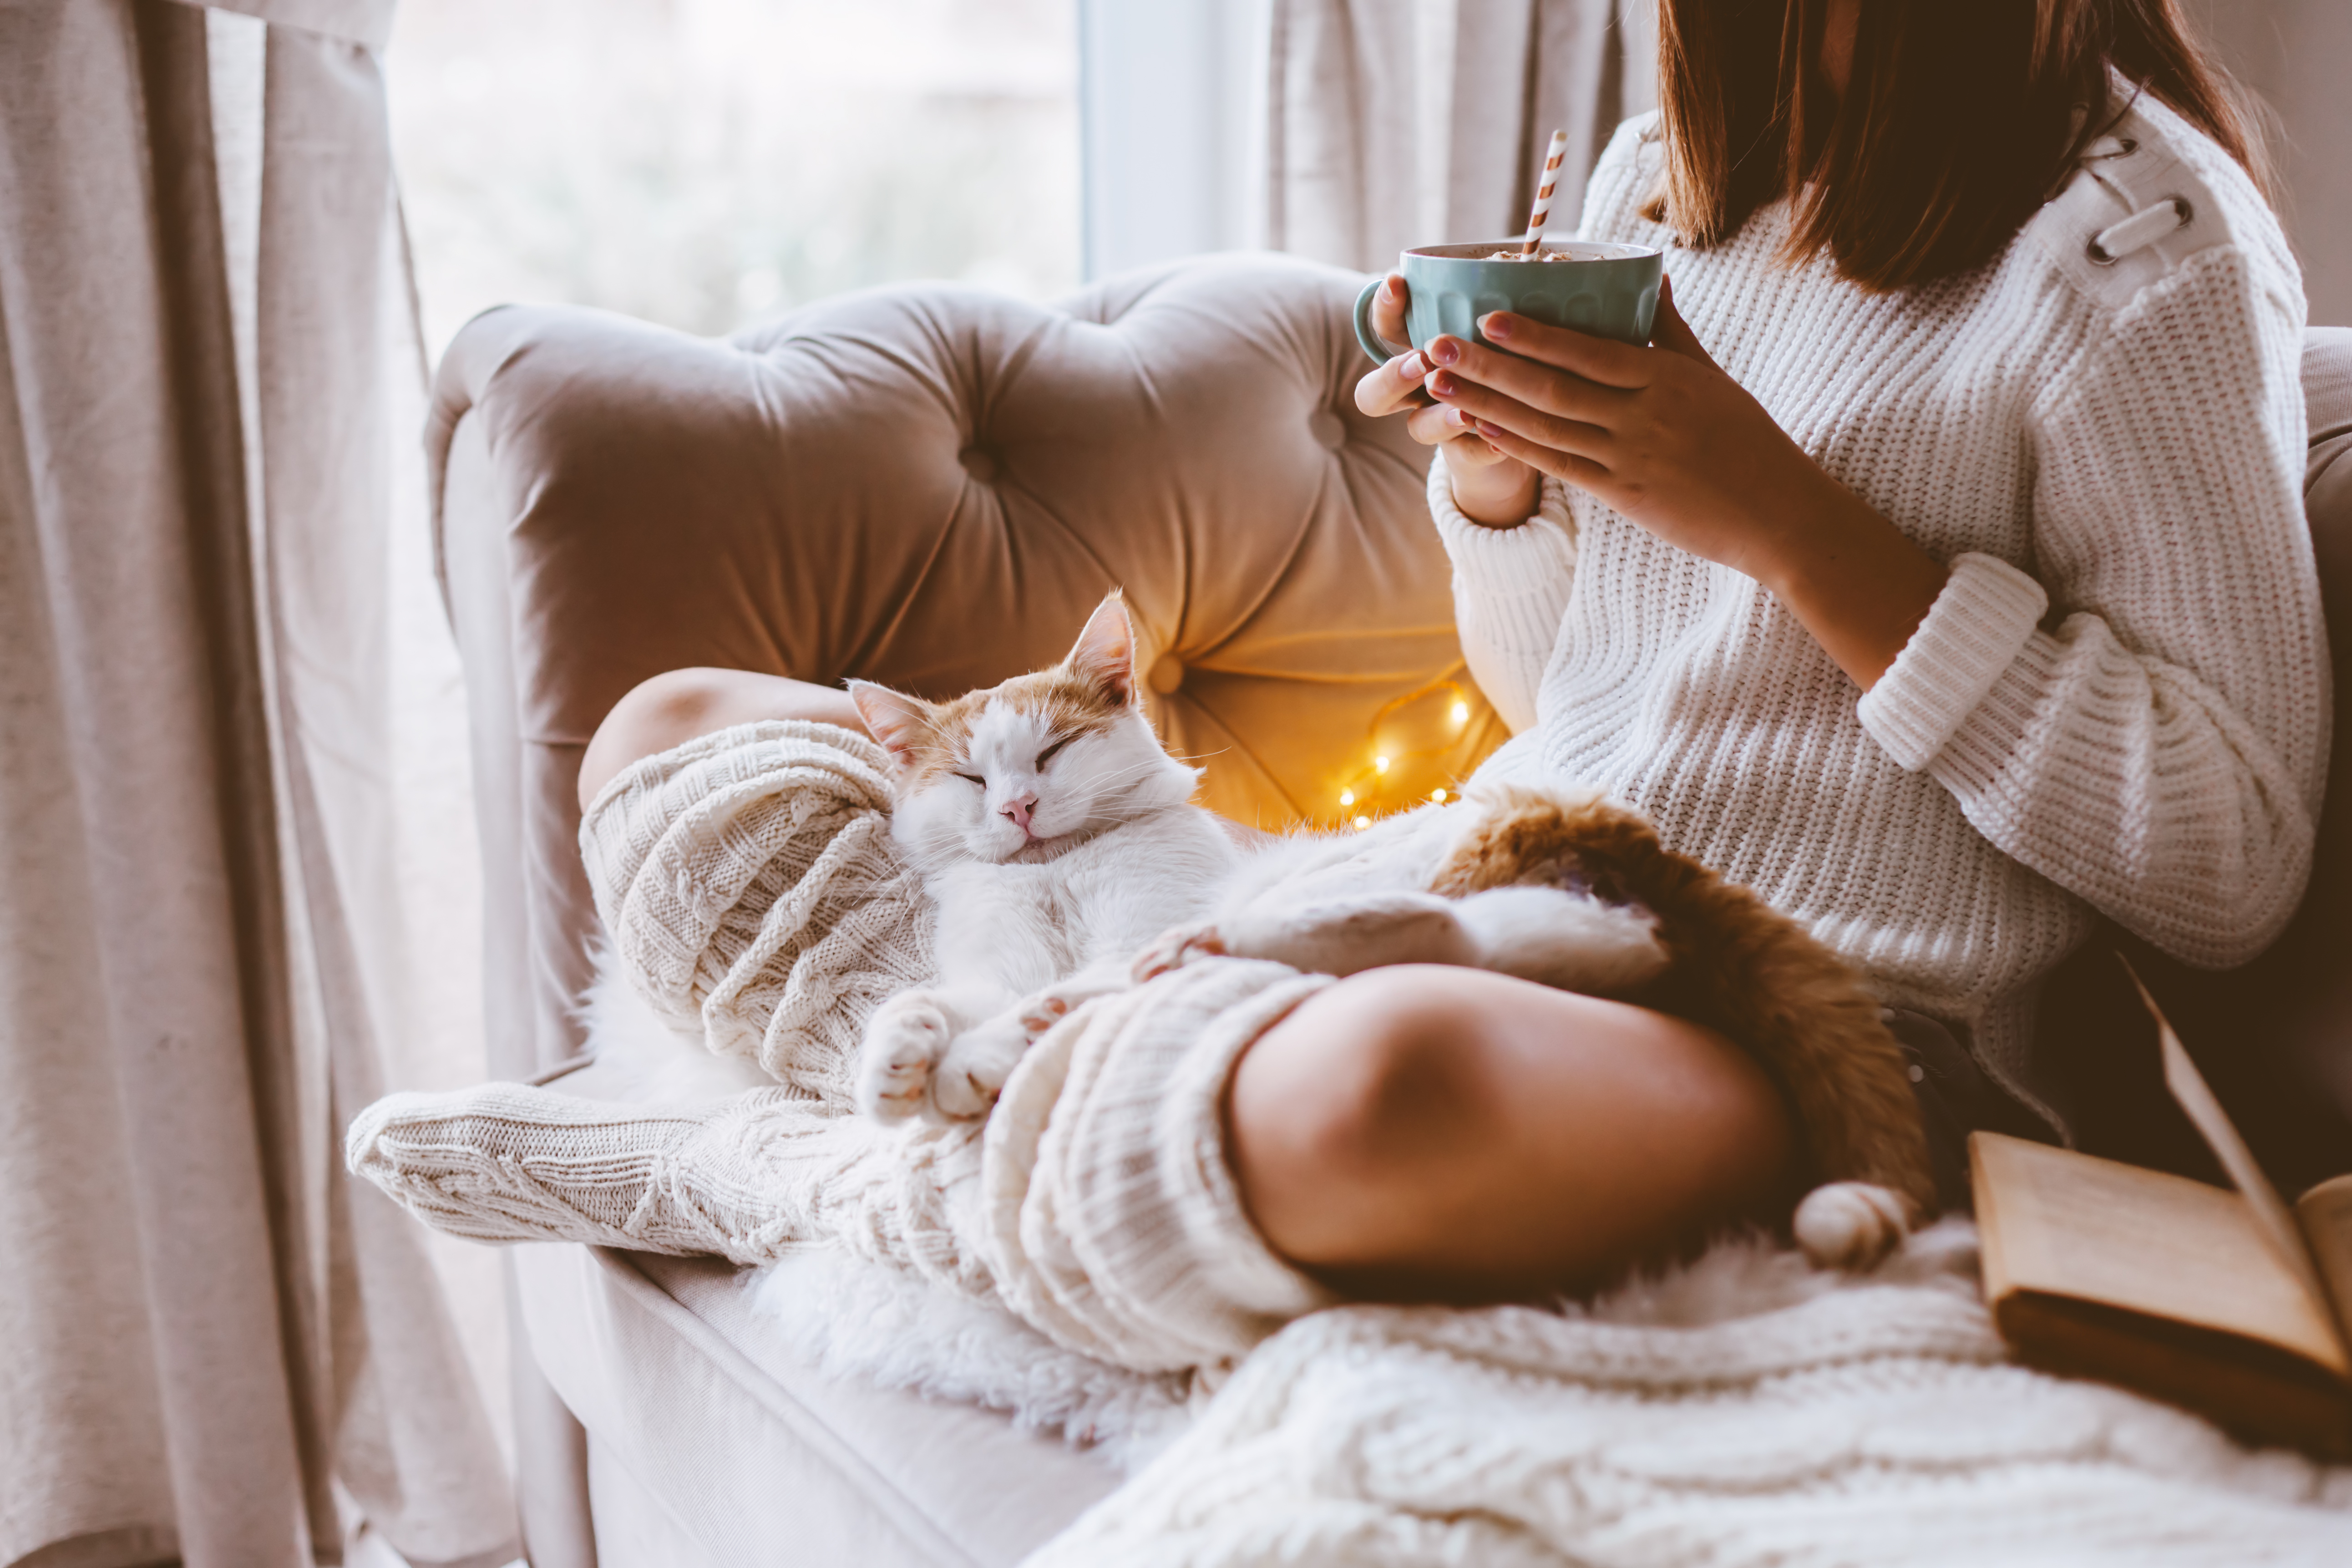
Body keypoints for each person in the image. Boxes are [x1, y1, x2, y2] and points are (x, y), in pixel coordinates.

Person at [578, 0, 2321, 1304]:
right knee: (673, 725)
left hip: (1831, 1016)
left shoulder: (2134, 247)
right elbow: (1575, 694)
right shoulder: (1673, 173)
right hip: (1492, 882)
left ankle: (865, 1135)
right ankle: (1012, 1075)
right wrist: (1505, 488)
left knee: (1383, 1103)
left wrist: (1795, 528)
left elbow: (2229, 863)